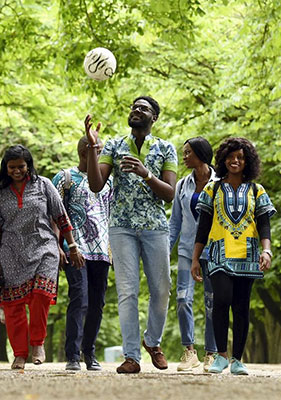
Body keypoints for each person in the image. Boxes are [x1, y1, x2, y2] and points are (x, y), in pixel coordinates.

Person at [84, 95, 178, 374]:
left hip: (155, 226)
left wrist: (147, 174)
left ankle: (153, 341)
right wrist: (92, 147)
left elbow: (170, 193)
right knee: (127, 291)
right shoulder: (113, 145)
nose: (137, 110)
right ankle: (132, 356)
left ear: (154, 117)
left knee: (161, 290)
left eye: (144, 108)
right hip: (121, 227)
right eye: (134, 107)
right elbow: (96, 185)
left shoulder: (165, 148)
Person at [0, 145, 85, 370]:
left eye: (21, 166)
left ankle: (37, 342)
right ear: (6, 168)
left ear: (28, 165)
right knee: (14, 306)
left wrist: (71, 246)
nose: (17, 171)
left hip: (44, 246)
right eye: (12, 167)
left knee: (41, 293)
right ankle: (20, 353)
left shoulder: (44, 185)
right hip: (11, 251)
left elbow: (61, 217)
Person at [190, 137, 275, 375]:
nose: (235, 161)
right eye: (230, 156)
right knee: (222, 299)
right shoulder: (212, 189)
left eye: (240, 157)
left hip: (248, 254)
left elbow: (264, 225)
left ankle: (238, 359)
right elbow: (203, 227)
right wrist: (195, 259)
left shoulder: (257, 190)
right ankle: (221, 356)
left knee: (241, 307)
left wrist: (266, 250)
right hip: (218, 252)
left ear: (247, 161)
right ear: (223, 159)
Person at [52, 136, 113, 371]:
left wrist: (114, 249)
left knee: (98, 303)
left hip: (102, 251)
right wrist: (58, 245)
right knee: (80, 298)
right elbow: (55, 213)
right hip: (74, 248)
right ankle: (73, 355)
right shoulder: (65, 178)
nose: (100, 155)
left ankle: (90, 352)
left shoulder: (108, 182)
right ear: (83, 152)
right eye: (95, 151)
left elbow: (111, 216)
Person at [168, 137, 218, 372]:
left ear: (201, 154)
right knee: (182, 299)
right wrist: (165, 253)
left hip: (215, 252)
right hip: (188, 251)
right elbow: (175, 223)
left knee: (212, 303)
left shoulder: (221, 183)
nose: (184, 156)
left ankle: (212, 353)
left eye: (188, 152)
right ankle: (189, 352)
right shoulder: (181, 185)